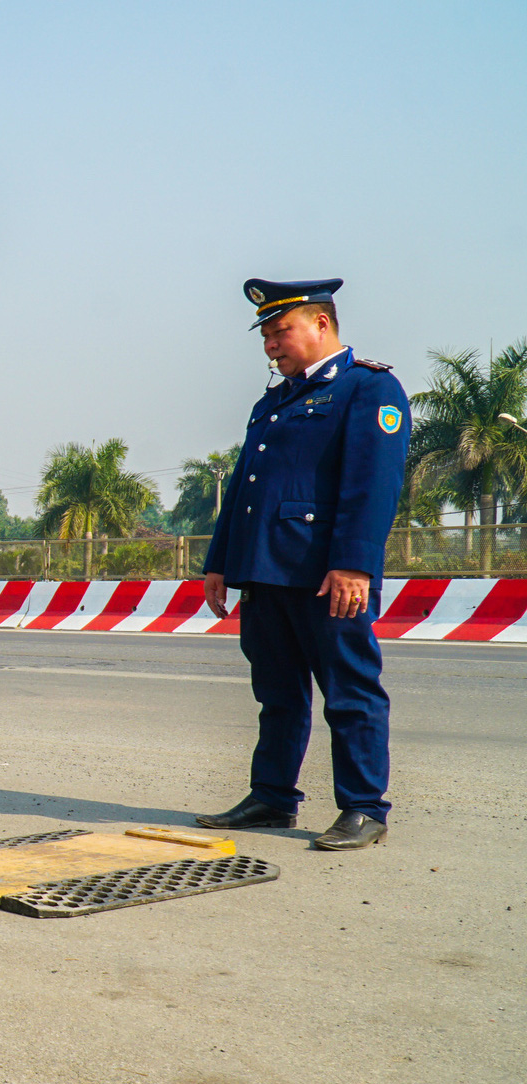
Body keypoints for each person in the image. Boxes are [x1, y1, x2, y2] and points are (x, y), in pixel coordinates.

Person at [196, 278, 411, 851]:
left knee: (350, 691)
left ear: (321, 324)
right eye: (265, 335)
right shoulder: (274, 400)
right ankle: (272, 796)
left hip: (326, 577)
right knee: (277, 694)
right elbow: (245, 488)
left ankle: (364, 807)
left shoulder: (369, 388)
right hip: (265, 572)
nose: (270, 345)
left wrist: (354, 566)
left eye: (280, 330)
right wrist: (220, 563)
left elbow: (373, 486)